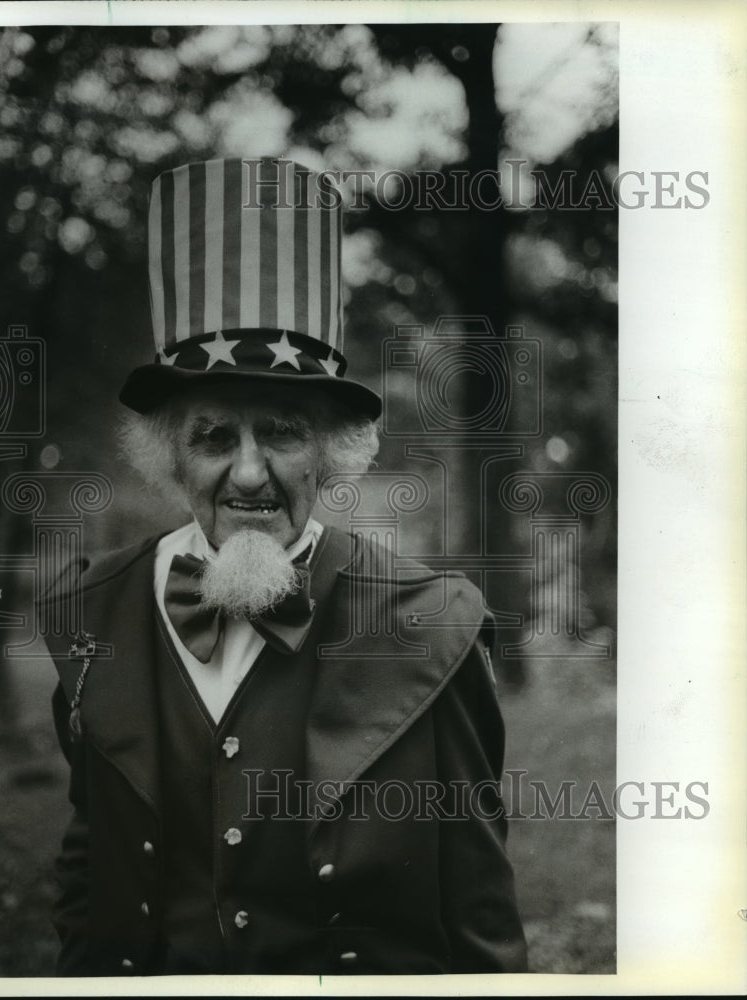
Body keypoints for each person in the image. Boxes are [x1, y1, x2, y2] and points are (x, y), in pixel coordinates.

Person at [42, 157, 528, 976]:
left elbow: (478, 909)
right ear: (170, 457)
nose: (247, 473)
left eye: (281, 432)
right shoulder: (92, 612)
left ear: (330, 455)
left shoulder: (432, 623)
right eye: (212, 438)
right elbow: (91, 879)